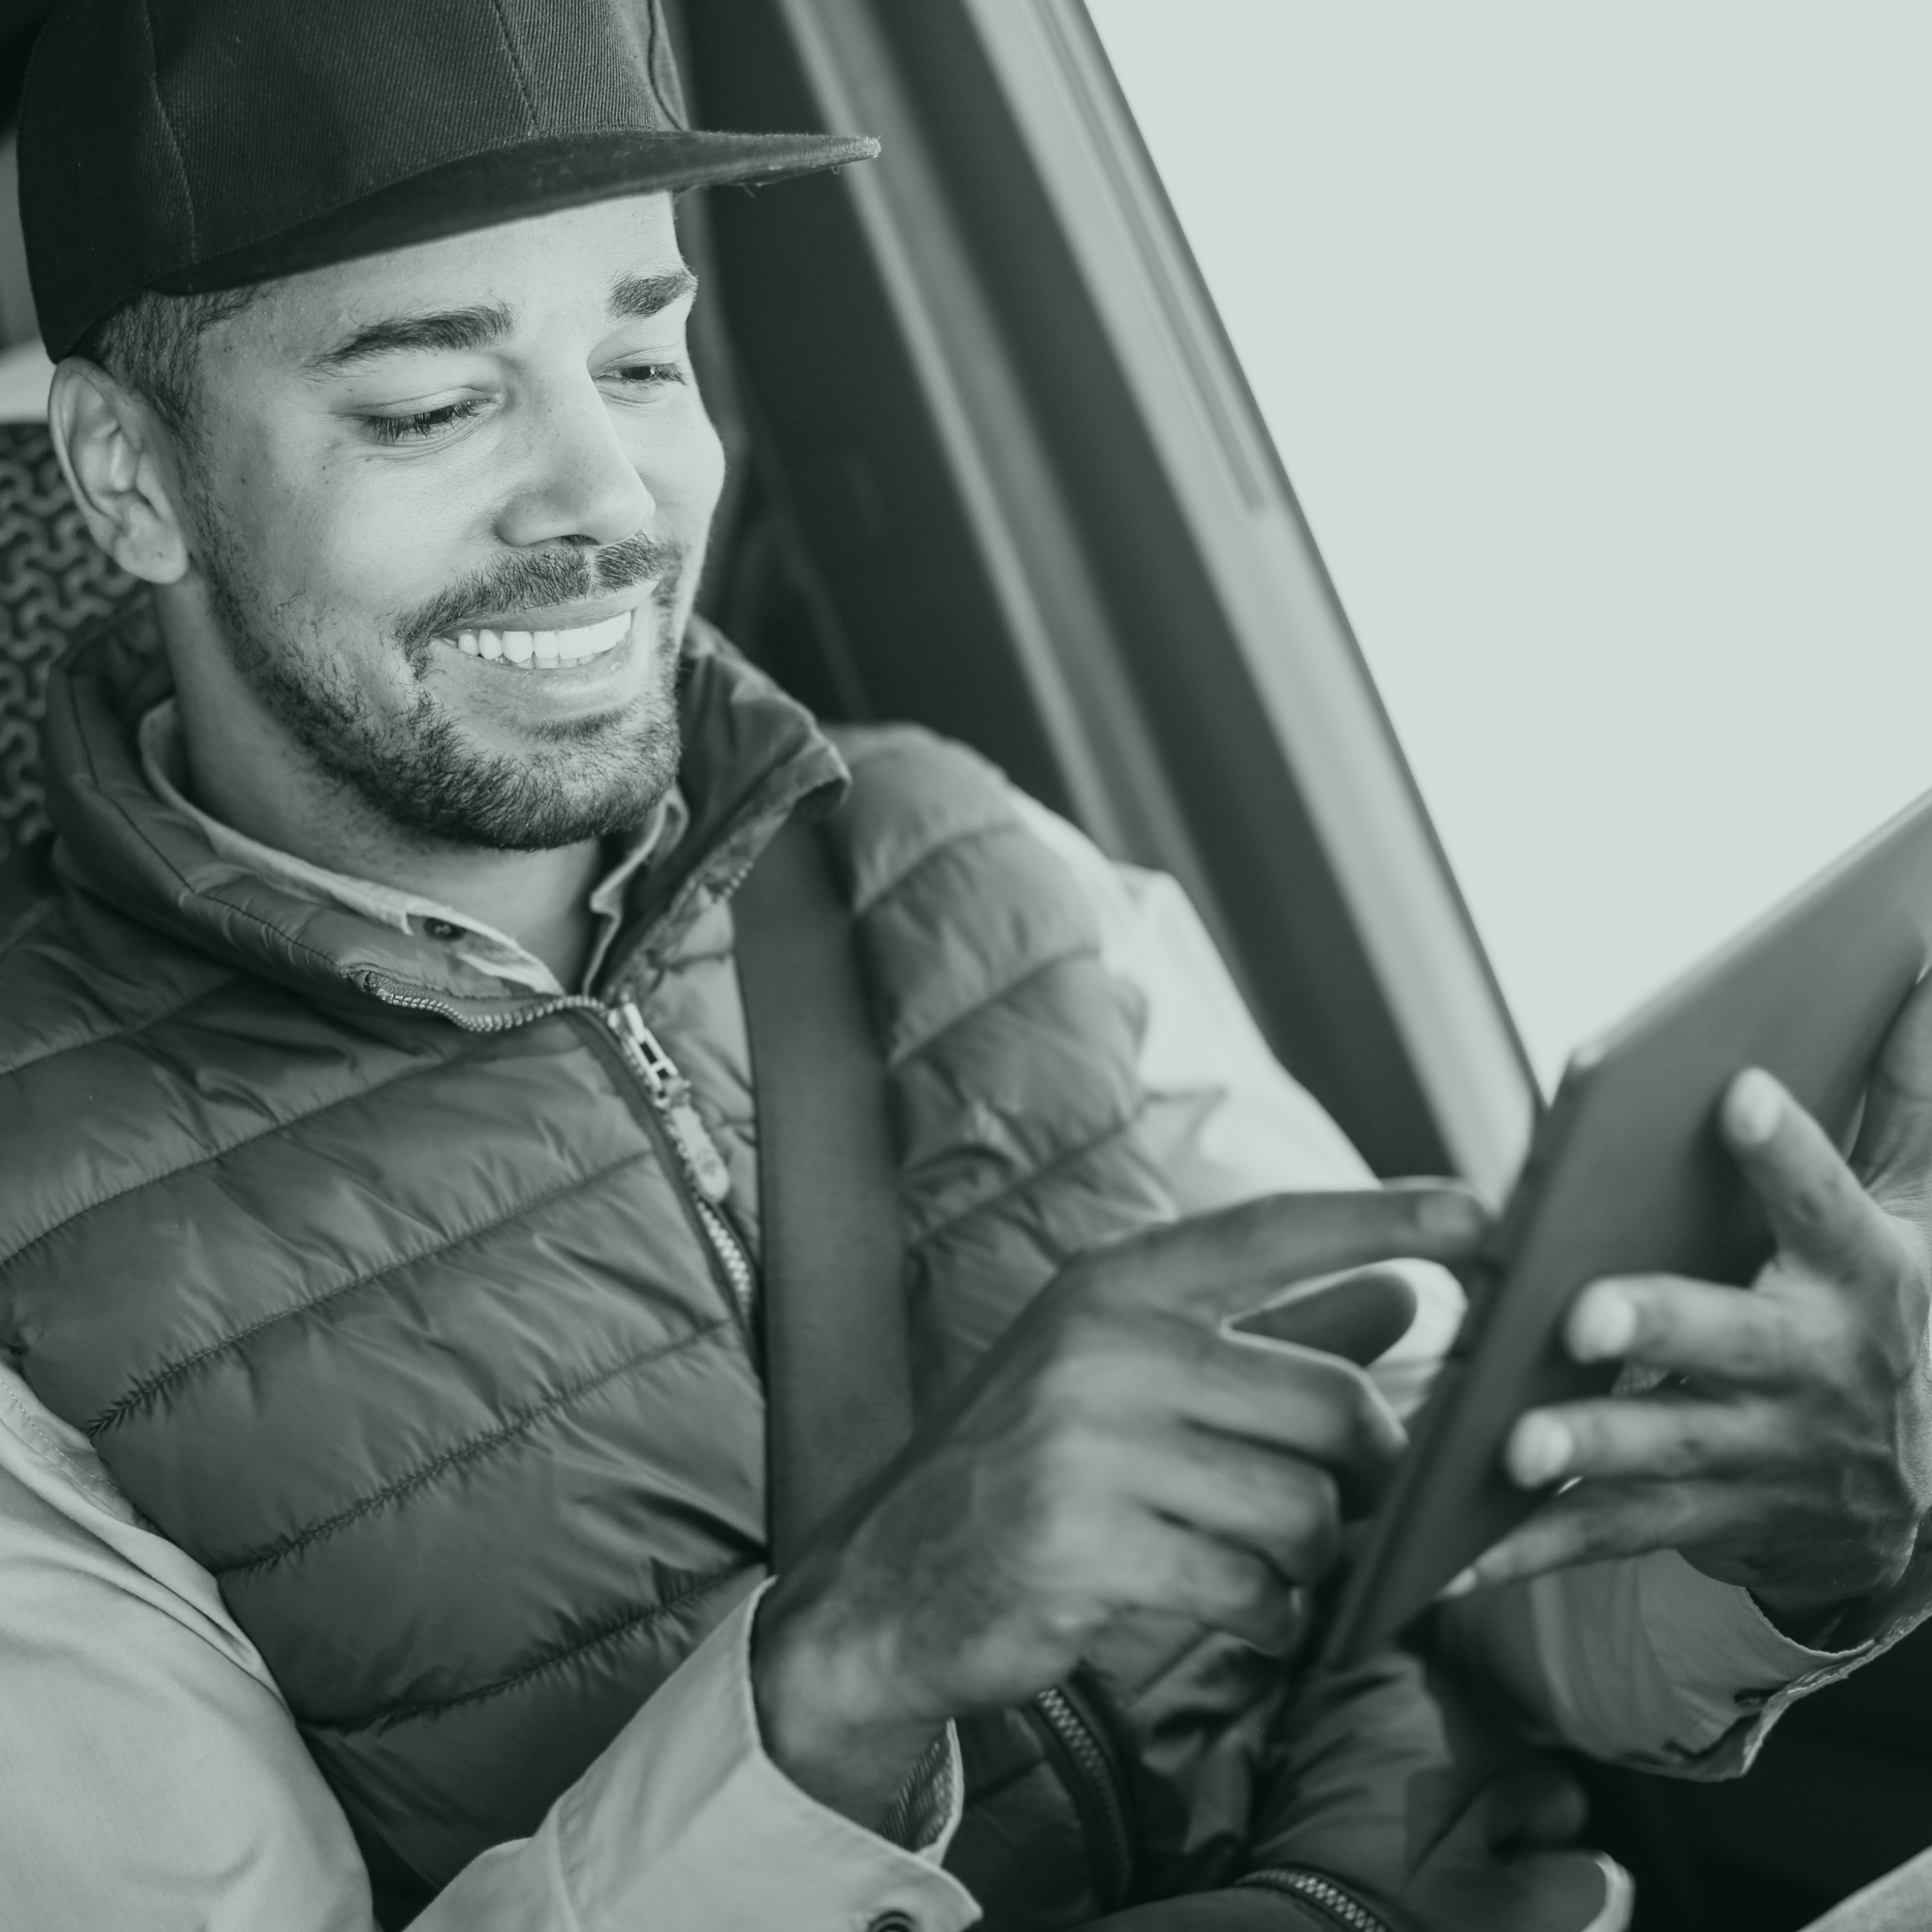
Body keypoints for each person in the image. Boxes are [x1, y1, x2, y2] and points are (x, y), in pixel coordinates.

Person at [2, 2, 1930, 1928]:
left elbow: (1429, 1547)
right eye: (434, 404)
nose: (609, 499)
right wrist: (841, 1670)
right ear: (128, 474)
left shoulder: (953, 847)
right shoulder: (27, 1299)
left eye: (643, 354)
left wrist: (1767, 1524)